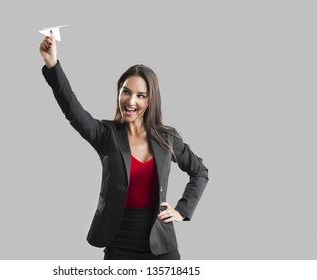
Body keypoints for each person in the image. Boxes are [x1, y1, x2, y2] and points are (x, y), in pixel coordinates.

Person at [39, 32, 209, 260]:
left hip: (161, 246)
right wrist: (52, 65)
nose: (131, 101)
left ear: (150, 100)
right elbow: (73, 111)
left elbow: (199, 172)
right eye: (126, 92)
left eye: (141, 95)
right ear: (119, 91)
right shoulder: (105, 134)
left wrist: (182, 210)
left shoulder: (166, 138)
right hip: (118, 243)